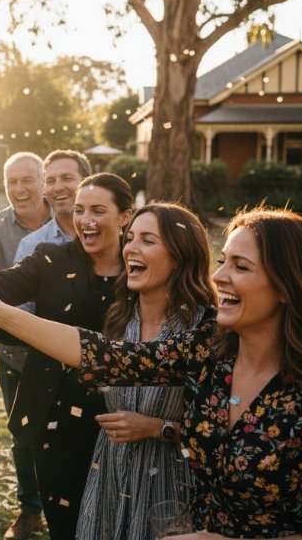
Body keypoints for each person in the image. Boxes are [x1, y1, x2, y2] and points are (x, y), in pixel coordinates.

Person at [0, 207, 302, 540]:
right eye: (222, 261)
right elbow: (103, 355)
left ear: (290, 285)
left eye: (240, 266)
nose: (219, 276)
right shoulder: (209, 355)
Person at [0, 172, 130, 540]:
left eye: (97, 210)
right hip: (54, 416)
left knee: (117, 523)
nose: (85, 220)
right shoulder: (49, 257)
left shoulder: (139, 266)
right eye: (79, 210)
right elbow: (3, 283)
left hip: (121, 418)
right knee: (65, 522)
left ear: (125, 216)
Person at [74, 203, 214, 540]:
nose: (131, 248)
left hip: (170, 484)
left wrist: (156, 428)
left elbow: (219, 438)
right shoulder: (118, 318)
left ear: (179, 256)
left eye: (148, 240)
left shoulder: (205, 331)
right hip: (111, 469)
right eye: (131, 237)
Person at [0, 151, 50, 539]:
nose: (19, 189)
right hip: (17, 353)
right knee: (23, 435)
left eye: (27, 180)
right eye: (11, 182)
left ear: (44, 180)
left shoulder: (68, 217)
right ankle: (31, 509)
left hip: (69, 350)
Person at [13, 150, 92, 262]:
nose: (58, 187)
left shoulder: (108, 236)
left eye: (67, 178)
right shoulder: (30, 246)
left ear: (87, 182)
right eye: (50, 181)